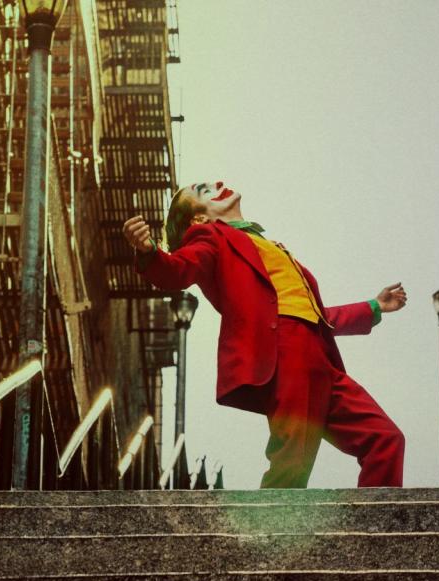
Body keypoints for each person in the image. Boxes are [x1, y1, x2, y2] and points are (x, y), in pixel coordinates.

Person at [122, 181, 407, 488]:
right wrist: (150, 251)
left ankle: (371, 531)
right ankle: (267, 534)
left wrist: (374, 306)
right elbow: (178, 269)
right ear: (199, 219)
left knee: (385, 439)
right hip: (285, 353)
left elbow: (316, 316)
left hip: (321, 359)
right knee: (293, 456)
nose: (217, 183)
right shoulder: (210, 236)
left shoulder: (270, 246)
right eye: (204, 190)